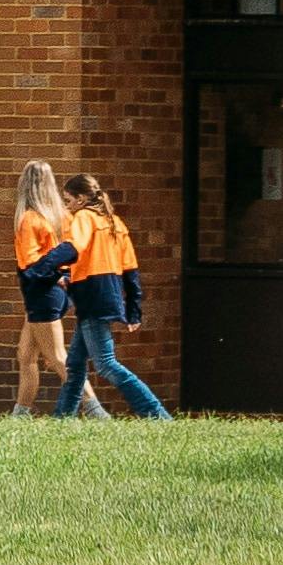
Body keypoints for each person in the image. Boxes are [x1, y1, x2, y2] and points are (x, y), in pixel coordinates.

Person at [54, 173, 170, 417]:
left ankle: (157, 414)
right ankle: (61, 419)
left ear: (82, 199)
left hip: (92, 297)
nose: (66, 205)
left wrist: (48, 267)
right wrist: (134, 311)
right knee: (75, 365)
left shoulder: (84, 217)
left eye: (68, 200)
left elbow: (76, 247)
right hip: (107, 295)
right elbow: (131, 271)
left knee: (106, 364)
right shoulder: (115, 223)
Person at [8, 160, 81, 413]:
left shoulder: (29, 218)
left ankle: (95, 409)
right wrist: (65, 277)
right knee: (26, 356)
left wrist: (49, 276)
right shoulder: (63, 216)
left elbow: (30, 263)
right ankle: (21, 413)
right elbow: (76, 250)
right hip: (56, 291)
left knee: (58, 357)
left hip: (42, 293)